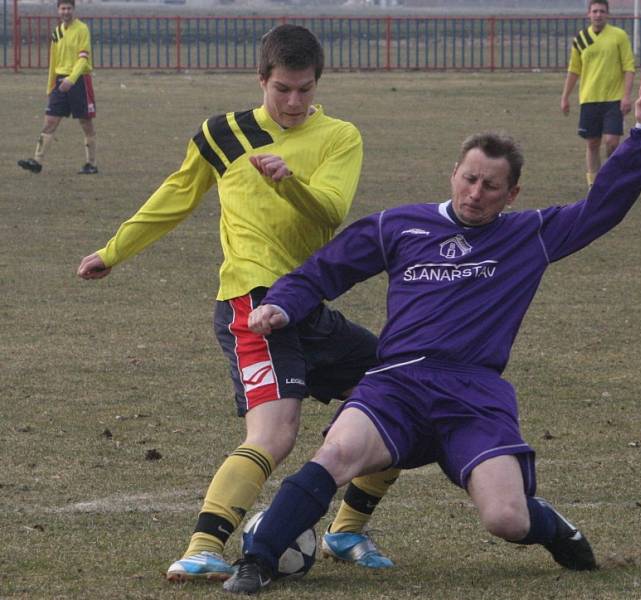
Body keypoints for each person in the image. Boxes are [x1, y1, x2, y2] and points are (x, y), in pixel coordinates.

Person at [221, 74, 641, 595]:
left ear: (512, 193)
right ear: (454, 172)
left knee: (505, 518)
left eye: (491, 186)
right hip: (397, 384)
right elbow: (324, 270)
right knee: (335, 455)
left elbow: (601, 209)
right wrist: (281, 303)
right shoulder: (399, 226)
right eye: (469, 178)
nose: (475, 193)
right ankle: (256, 560)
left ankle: (550, 525)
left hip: (474, 393)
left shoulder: (531, 235)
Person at [76, 24, 399, 582]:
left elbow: (328, 211)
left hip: (309, 306)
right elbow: (175, 195)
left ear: (317, 83)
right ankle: (202, 546)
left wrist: (287, 180)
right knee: (274, 434)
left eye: (304, 89)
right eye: (282, 89)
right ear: (261, 80)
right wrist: (113, 251)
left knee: (398, 395)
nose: (294, 102)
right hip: (251, 304)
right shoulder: (222, 133)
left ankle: (346, 531)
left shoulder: (340, 136)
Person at [18, 0, 98, 175]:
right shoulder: (56, 32)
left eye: (69, 8)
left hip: (79, 81)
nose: (66, 11)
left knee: (86, 123)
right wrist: (50, 86)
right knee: (49, 122)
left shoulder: (82, 29)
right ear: (58, 10)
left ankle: (90, 163)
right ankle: (37, 161)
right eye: (63, 8)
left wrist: (72, 79)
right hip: (60, 82)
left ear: (73, 10)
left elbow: (83, 58)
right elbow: (53, 62)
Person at [561, 0, 635, 187]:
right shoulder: (581, 39)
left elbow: (629, 67)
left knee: (611, 142)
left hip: (613, 99)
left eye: (602, 11)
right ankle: (593, 185)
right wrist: (565, 97)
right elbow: (574, 70)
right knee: (592, 144)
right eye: (595, 11)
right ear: (588, 14)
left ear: (608, 14)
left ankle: (610, 178)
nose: (598, 14)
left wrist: (626, 96)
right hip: (589, 99)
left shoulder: (619, 36)